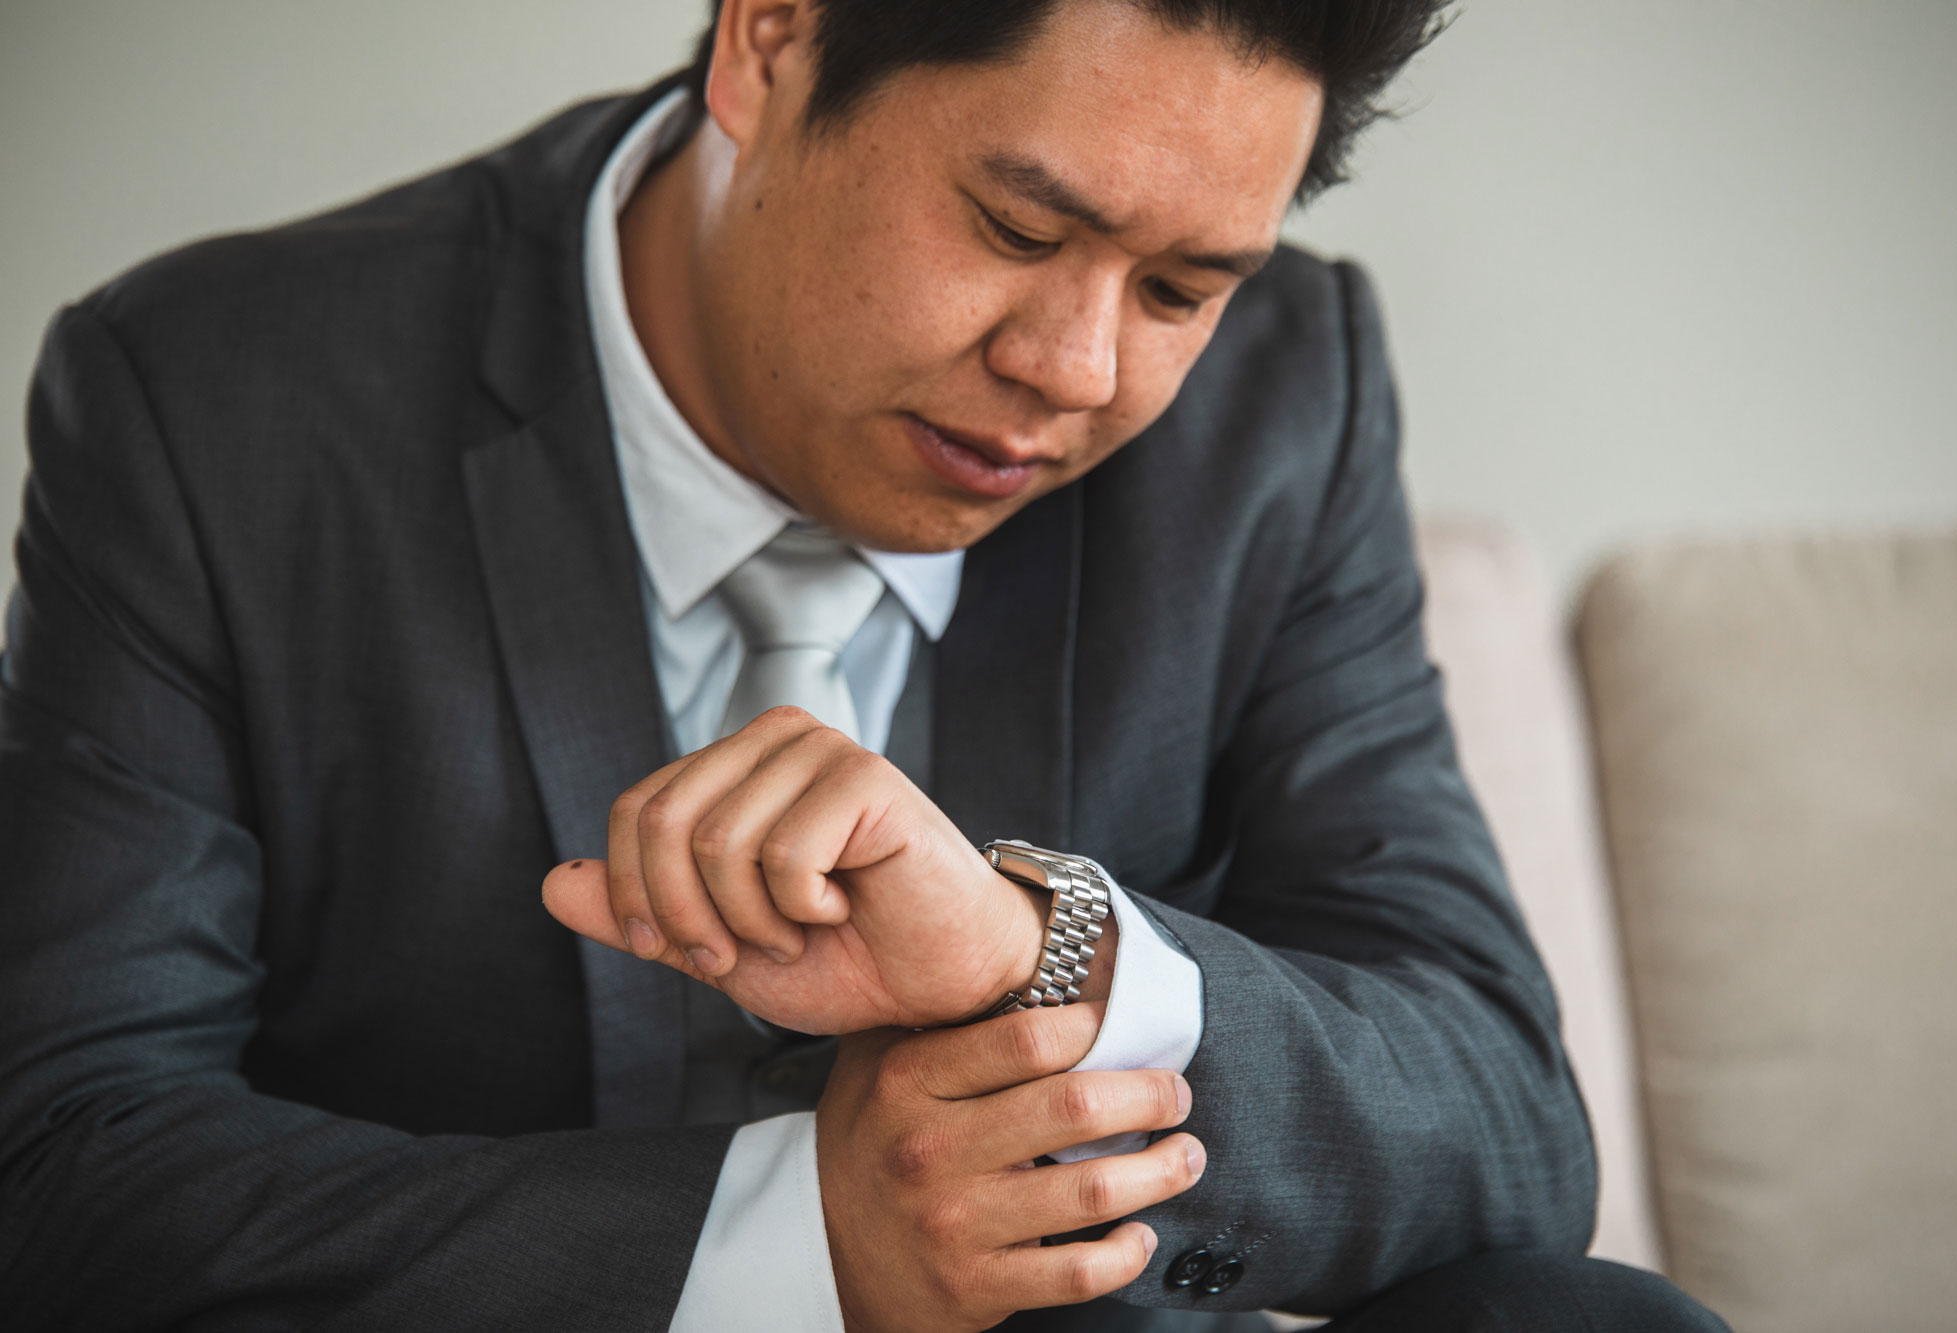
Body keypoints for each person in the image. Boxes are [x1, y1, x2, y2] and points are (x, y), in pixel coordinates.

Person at [0, 0, 1730, 1328]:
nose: (1075, 370)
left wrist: (1038, 953)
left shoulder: (1287, 398)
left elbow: (1503, 1114)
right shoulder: (210, 403)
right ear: (772, 39)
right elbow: (69, 1154)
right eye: (1016, 227)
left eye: (1182, 287)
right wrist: (799, 1237)